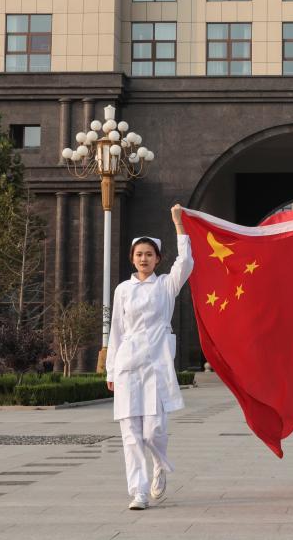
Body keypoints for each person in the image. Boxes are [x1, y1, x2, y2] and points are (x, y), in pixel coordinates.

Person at [106, 204, 193, 511]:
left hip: (156, 365)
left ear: (158, 259)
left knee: (153, 431)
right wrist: (111, 371)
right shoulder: (123, 290)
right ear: (132, 258)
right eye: (139, 254)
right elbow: (116, 331)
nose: (144, 259)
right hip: (128, 365)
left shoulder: (166, 285)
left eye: (149, 254)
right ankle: (139, 492)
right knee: (131, 434)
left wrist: (178, 224)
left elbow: (186, 261)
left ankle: (159, 463)